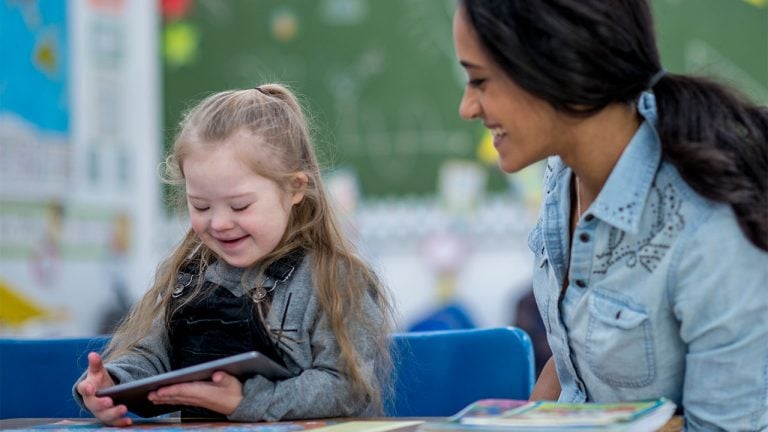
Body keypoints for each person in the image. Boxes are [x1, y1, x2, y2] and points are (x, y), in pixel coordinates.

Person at [452, 1, 767, 430]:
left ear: (553, 65)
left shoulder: (707, 228)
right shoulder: (561, 174)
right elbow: (574, 373)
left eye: (480, 81)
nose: (467, 107)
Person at [74, 84, 395, 425]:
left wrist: (247, 401)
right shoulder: (189, 276)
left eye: (240, 205)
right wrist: (114, 384)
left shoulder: (335, 279)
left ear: (295, 188)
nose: (220, 223)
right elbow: (155, 359)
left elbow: (346, 388)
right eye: (200, 205)